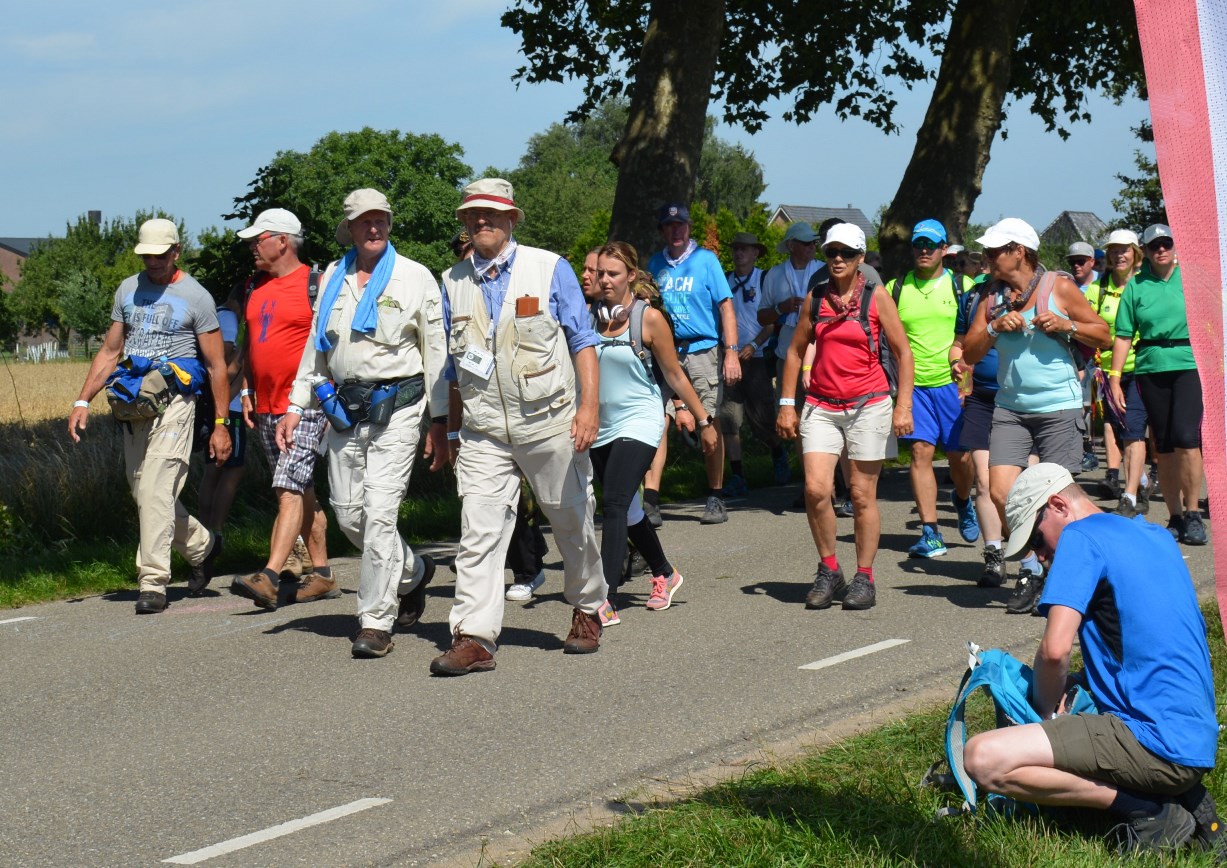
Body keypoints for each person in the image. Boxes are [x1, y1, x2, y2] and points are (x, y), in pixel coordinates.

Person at [963, 463, 1219, 854]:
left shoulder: (1080, 538)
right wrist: (1083, 679)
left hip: (1155, 742)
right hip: (1195, 738)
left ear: (1058, 505)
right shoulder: (1153, 534)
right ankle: (1180, 796)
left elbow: (1054, 650)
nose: (1040, 556)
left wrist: (1043, 716)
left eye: (1036, 539)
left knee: (983, 758)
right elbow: (1148, 641)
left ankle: (1151, 811)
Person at [434, 177, 607, 676]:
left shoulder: (549, 268)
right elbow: (454, 366)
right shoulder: (452, 281)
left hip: (549, 419)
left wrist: (589, 409)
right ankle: (473, 636)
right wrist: (450, 431)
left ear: (512, 219)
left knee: (570, 518)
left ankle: (589, 608)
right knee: (479, 532)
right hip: (485, 428)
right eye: (472, 215)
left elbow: (582, 341)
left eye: (490, 214)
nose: (480, 221)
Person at [280, 189, 448, 659]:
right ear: (349, 229)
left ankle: (375, 621)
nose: (373, 228)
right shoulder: (332, 275)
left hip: (398, 407)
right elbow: (317, 348)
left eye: (381, 221)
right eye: (363, 222)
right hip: (343, 410)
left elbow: (436, 354)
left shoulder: (416, 277)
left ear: (389, 226)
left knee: (378, 516)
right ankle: (414, 571)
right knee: (349, 513)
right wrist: (296, 405)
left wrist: (440, 421)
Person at [68, 218, 232, 614]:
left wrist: (223, 425)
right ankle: (203, 545)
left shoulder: (197, 297)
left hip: (176, 403)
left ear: (176, 251)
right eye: (146, 255)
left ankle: (153, 582)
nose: (153, 262)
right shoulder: (128, 289)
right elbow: (110, 351)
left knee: (157, 489)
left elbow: (216, 366)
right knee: (142, 490)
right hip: (133, 403)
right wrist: (82, 400)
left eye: (160, 255)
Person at [962, 218, 1110, 615]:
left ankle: (1071, 580)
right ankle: (1033, 566)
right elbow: (971, 353)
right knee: (1000, 491)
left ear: (1020, 252)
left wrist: (1067, 324)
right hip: (1010, 409)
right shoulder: (990, 295)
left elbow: (1103, 333)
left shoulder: (1057, 287)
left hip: (1057, 407)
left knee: (1058, 498)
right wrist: (993, 326)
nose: (988, 257)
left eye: (995, 251)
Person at [776, 222, 914, 611]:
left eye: (846, 254)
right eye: (831, 253)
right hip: (821, 404)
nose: (837, 259)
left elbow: (904, 352)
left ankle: (864, 577)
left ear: (861, 259)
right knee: (817, 489)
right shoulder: (816, 297)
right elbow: (794, 350)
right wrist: (788, 403)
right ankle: (829, 569)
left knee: (860, 493)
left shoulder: (876, 297)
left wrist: (903, 405)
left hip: (869, 403)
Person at [592, 242, 717, 622]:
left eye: (612, 273)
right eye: (600, 273)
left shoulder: (649, 319)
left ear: (630, 276)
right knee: (629, 511)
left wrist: (703, 420)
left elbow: (674, 374)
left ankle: (604, 598)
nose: (604, 280)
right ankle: (665, 572)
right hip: (602, 424)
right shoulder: (587, 318)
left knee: (613, 502)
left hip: (641, 419)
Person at [226, 209, 333, 610]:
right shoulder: (256, 287)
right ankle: (321, 574)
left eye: (260, 238)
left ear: (283, 241)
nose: (253, 245)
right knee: (301, 490)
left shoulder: (318, 285)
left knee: (287, 486)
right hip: (267, 407)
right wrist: (249, 388)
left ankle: (269, 576)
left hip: (305, 405)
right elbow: (254, 343)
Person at [1107, 224, 1206, 545]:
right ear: (1145, 251)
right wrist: (1115, 377)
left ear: (1175, 245)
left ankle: (1193, 514)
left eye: (1166, 243)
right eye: (1154, 246)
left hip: (1190, 365)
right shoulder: (1136, 286)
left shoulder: (1192, 279)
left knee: (1187, 438)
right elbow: (1123, 335)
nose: (1161, 249)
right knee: (1162, 446)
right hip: (1150, 367)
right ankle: (1175, 516)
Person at [644, 203, 741, 526]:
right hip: (665, 351)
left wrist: (731, 351)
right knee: (658, 421)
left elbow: (726, 307)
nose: (675, 231)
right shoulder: (656, 264)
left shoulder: (706, 261)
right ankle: (651, 499)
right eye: (669, 226)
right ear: (661, 230)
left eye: (680, 225)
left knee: (707, 421)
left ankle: (716, 495)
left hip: (703, 350)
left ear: (689, 228)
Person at [886, 219, 978, 558]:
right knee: (921, 453)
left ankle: (963, 499)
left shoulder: (962, 285)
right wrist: (899, 392)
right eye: (918, 244)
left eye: (931, 245)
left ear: (944, 250)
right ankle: (931, 531)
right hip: (916, 386)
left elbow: (970, 340)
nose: (924, 251)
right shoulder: (897, 288)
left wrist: (967, 387)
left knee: (960, 456)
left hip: (954, 384)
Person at [949, 269, 1007, 588]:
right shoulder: (973, 297)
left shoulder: (1030, 293)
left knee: (1018, 486)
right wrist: (959, 368)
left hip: (1023, 401)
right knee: (984, 483)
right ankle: (994, 557)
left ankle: (1036, 555)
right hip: (982, 398)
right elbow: (958, 346)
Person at [1088, 229, 1149, 516]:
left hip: (1141, 368)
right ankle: (1139, 481)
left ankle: (1130, 495)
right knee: (1116, 429)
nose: (1118, 254)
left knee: (1134, 430)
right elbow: (1085, 327)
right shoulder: (1096, 289)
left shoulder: (1144, 285)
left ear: (1136, 253)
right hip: (1106, 370)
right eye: (1113, 250)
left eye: (1124, 249)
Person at [721, 231, 786, 495]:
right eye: (736, 249)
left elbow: (771, 323)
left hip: (756, 359)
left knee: (762, 421)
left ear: (755, 253)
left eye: (745, 249)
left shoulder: (764, 279)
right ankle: (738, 476)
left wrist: (754, 345)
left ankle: (778, 452)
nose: (739, 253)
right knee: (729, 420)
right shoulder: (725, 280)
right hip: (729, 359)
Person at [1066, 241, 1102, 472]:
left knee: (1095, 406)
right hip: (1074, 354)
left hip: (1100, 355)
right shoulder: (1066, 285)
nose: (1076, 266)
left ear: (1092, 262)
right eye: (1072, 262)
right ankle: (1083, 449)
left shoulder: (1102, 284)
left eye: (1081, 261)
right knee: (1079, 404)